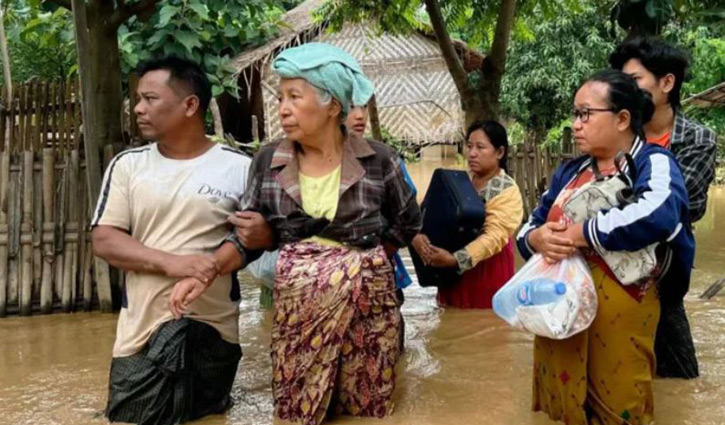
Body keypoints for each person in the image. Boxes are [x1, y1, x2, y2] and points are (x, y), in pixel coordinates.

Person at [227, 43, 421, 425]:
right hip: (297, 316)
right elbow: (247, 232)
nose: (282, 108)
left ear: (333, 106)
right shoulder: (268, 161)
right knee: (296, 408)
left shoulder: (379, 160)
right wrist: (206, 267)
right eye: (280, 97)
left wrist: (366, 262)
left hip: (368, 315)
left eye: (294, 97)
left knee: (365, 407)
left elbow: (409, 221)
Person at [516, 69, 693, 424]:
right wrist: (535, 239)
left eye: (585, 114)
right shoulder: (570, 171)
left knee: (620, 401)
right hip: (562, 307)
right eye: (574, 114)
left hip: (624, 307)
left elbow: (657, 214)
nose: (576, 124)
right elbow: (532, 223)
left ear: (623, 119)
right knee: (565, 402)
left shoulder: (653, 163)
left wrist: (581, 233)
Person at [91, 56, 259, 425]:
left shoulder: (239, 167)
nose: (138, 108)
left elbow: (256, 239)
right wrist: (174, 263)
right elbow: (104, 239)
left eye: (150, 98)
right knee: (128, 417)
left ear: (190, 105)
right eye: (138, 98)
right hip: (141, 330)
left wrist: (229, 254)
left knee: (209, 417)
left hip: (213, 329)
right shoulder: (128, 166)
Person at [610, 36, 717, 379]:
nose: (625, 89)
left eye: (635, 80)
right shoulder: (615, 132)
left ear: (667, 82)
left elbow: (686, 206)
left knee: (680, 380)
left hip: (665, 273)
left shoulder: (697, 139)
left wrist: (621, 202)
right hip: (611, 267)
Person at [414, 120, 523, 309]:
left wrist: (456, 259)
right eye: (469, 146)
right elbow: (430, 212)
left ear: (500, 152)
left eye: (480, 147)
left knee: (486, 324)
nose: (472, 153)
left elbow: (494, 237)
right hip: (449, 269)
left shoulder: (507, 190)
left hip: (486, 270)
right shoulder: (459, 182)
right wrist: (419, 236)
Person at [345, 104, 415, 350]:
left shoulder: (383, 159)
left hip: (380, 276)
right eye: (350, 107)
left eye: (362, 106)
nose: (359, 115)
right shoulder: (299, 162)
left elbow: (409, 216)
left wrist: (382, 252)